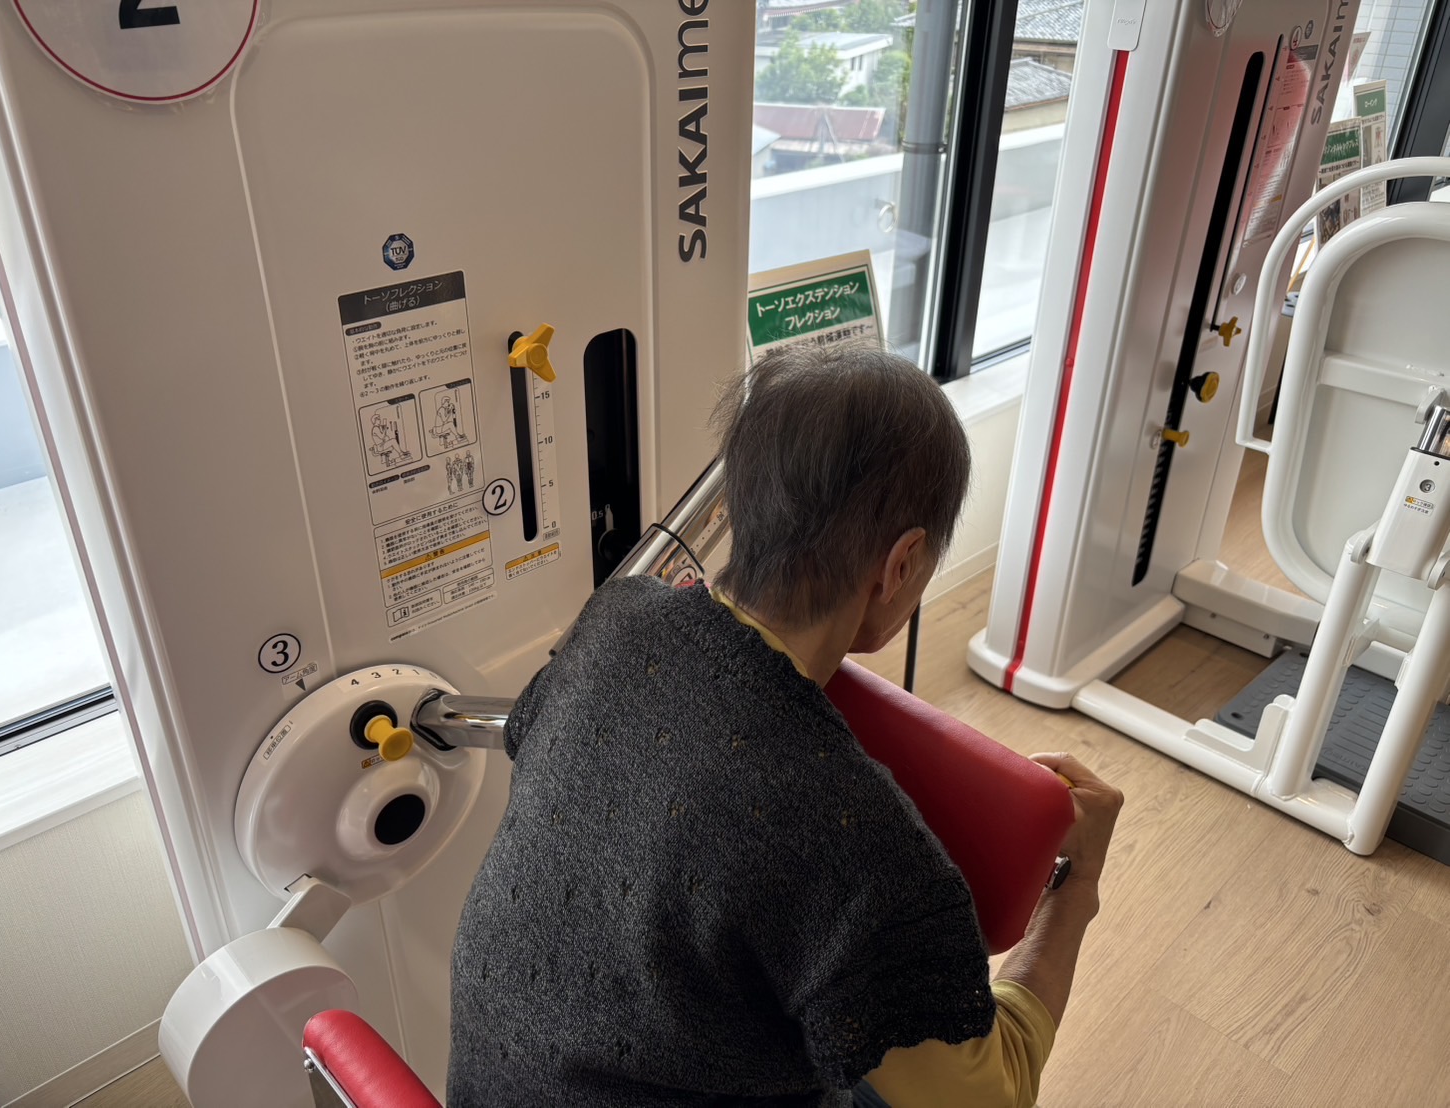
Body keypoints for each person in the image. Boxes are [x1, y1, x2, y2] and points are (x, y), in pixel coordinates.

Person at [448, 343, 1123, 1107]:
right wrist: (1075, 889)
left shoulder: (615, 618)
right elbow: (988, 1099)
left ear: (738, 505)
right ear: (901, 564)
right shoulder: (853, 840)